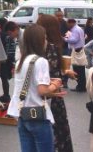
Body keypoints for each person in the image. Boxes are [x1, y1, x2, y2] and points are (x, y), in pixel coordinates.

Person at [7, 24, 64, 152]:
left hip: (22, 115)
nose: (46, 41)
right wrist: (56, 84)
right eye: (44, 38)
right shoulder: (41, 61)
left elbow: (28, 87)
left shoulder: (20, 62)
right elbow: (42, 90)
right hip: (38, 116)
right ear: (39, 41)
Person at [37, 14, 74, 152]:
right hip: (51, 97)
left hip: (35, 98)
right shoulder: (51, 48)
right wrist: (64, 73)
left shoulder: (34, 49)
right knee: (56, 132)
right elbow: (53, 75)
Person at [0, 21, 20, 103]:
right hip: (8, 59)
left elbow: (12, 51)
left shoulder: (9, 37)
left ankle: (7, 96)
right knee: (5, 78)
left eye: (10, 33)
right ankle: (6, 95)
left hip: (7, 60)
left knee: (4, 78)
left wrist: (13, 63)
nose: (9, 35)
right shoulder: (11, 37)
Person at [64, 18, 86, 92]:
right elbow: (67, 36)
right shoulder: (72, 30)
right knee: (77, 69)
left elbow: (74, 40)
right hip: (75, 50)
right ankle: (80, 86)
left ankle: (81, 87)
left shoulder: (76, 29)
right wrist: (66, 37)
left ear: (72, 23)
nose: (67, 25)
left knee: (79, 69)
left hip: (77, 50)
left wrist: (65, 39)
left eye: (68, 23)